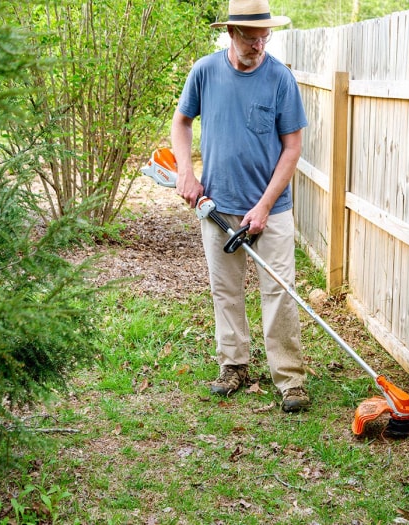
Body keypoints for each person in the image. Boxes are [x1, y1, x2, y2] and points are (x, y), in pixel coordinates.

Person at [170, 0, 310, 412]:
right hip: (218, 206)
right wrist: (185, 171)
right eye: (252, 38)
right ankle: (234, 365)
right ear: (231, 33)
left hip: (272, 209)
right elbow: (181, 122)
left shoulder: (280, 78)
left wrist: (264, 207)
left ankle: (290, 379)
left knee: (279, 291)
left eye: (265, 36)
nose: (260, 45)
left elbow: (293, 148)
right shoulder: (205, 71)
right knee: (225, 290)